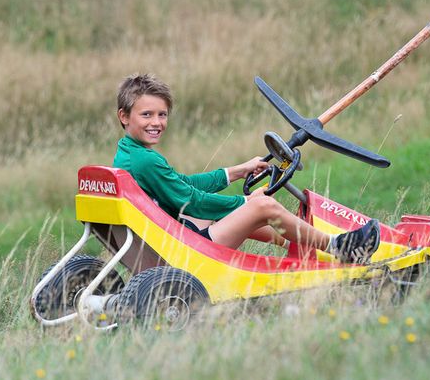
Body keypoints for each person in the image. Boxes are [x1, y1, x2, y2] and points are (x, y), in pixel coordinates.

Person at [113, 73, 380, 264]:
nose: (157, 122)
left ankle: (300, 245)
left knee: (243, 210)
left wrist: (239, 170)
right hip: (183, 255)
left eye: (162, 114)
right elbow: (191, 201)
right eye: (146, 115)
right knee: (262, 207)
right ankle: (340, 248)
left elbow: (182, 184)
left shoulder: (128, 154)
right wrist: (245, 201)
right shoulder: (146, 161)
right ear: (124, 117)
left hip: (164, 242)